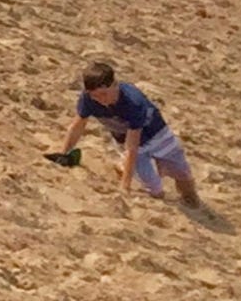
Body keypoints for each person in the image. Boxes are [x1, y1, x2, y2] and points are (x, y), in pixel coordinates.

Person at [52, 63, 201, 206]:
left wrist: (125, 185)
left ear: (114, 85)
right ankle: (125, 167)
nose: (101, 100)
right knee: (155, 190)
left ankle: (190, 198)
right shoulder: (87, 99)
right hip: (129, 143)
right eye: (95, 96)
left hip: (157, 135)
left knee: (181, 172)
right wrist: (63, 154)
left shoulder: (133, 102)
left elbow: (132, 146)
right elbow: (78, 126)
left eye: (104, 94)